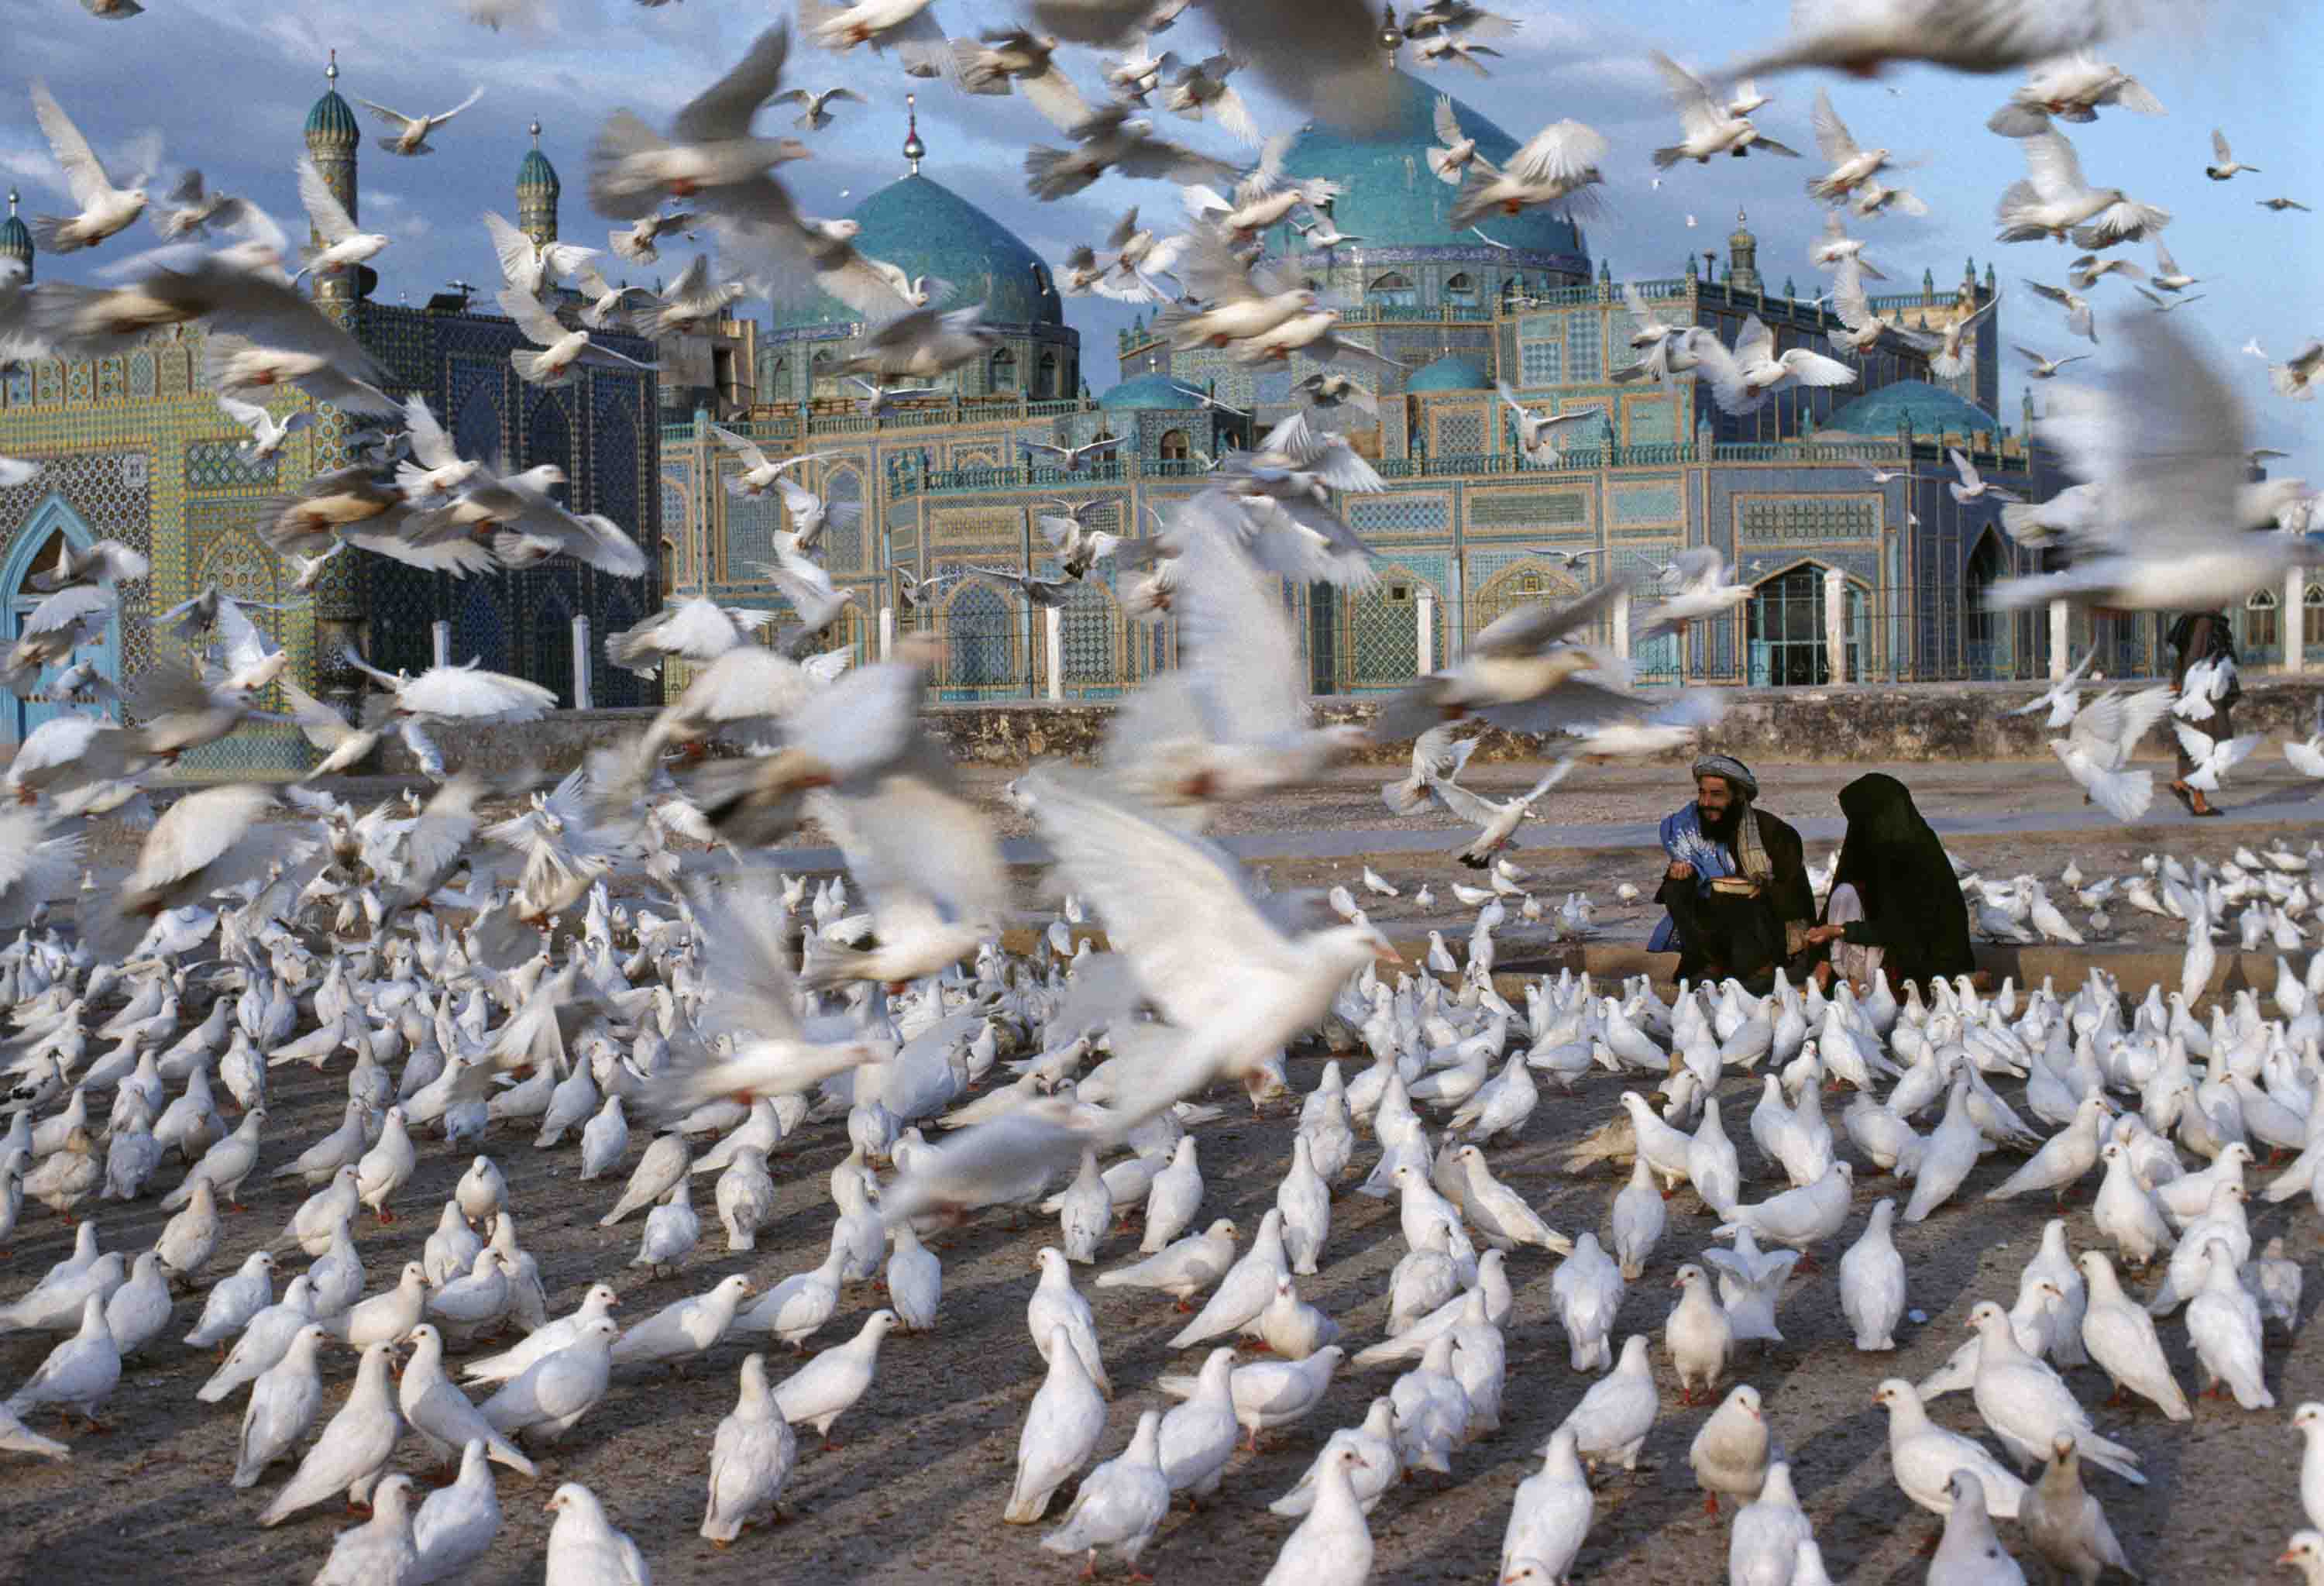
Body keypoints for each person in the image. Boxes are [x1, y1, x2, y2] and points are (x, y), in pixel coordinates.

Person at [1647, 753, 1817, 994]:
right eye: (1702, 793)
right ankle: (1710, 964)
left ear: (1738, 796)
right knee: (1675, 888)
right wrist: (1678, 872)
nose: (1706, 802)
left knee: (1737, 898)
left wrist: (1761, 887)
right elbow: (1685, 884)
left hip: (1764, 931)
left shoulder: (1774, 832)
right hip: (1715, 936)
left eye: (1716, 795)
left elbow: (1795, 897)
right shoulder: (1693, 833)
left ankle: (1762, 969)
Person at [1800, 772, 1975, 996]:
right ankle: (1855, 981)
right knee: (1844, 892)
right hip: (1872, 950)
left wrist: (1838, 930)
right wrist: (1823, 960)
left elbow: (1902, 929)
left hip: (1921, 960)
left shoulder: (1919, 857)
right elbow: (1835, 908)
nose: (1857, 827)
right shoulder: (1864, 848)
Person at [2166, 610, 2239, 817]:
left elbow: (2184, 655)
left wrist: (2178, 680)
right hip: (2205, 695)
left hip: (2199, 692)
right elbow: (2195, 658)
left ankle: (2195, 796)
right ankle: (2187, 788)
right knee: (2213, 745)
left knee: (2199, 748)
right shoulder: (2205, 621)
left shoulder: (2193, 618)